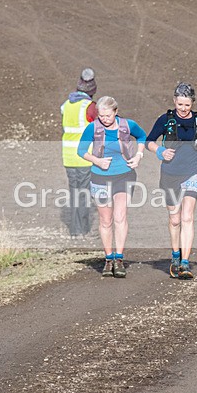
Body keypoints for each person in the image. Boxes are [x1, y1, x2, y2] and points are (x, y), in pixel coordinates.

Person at [146, 82, 197, 280]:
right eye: (180, 105)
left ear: (192, 103)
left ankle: (185, 262)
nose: (183, 109)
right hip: (170, 173)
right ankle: (175, 255)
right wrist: (160, 151)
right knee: (175, 219)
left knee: (187, 217)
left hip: (193, 171)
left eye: (187, 105)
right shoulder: (165, 120)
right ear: (174, 101)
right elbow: (148, 141)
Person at [77, 96, 146, 277]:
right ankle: (108, 259)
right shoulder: (92, 128)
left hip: (124, 175)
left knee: (120, 217)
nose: (104, 119)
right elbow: (81, 150)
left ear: (116, 112)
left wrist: (138, 155)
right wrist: (97, 160)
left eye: (108, 116)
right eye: (101, 116)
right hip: (100, 177)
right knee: (105, 220)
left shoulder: (127, 125)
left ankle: (119, 258)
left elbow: (142, 136)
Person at [60, 67, 99, 236]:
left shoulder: (67, 105)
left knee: (75, 193)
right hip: (84, 157)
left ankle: (75, 231)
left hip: (68, 156)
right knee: (83, 194)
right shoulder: (90, 107)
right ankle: (83, 231)